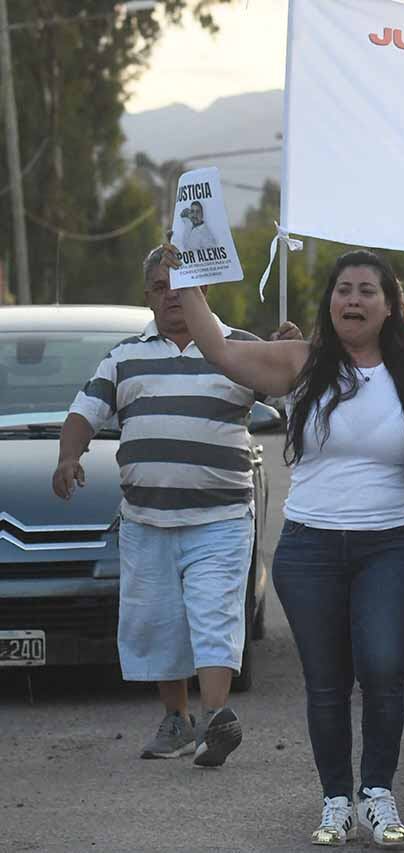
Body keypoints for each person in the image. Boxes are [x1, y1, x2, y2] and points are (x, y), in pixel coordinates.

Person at [172, 247, 404, 848]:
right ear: (330, 300)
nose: (352, 299)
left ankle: (377, 793)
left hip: (391, 547)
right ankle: (336, 801)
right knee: (325, 682)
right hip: (310, 549)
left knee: (382, 670)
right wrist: (187, 276)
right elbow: (219, 348)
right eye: (343, 289)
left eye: (367, 290)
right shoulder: (303, 362)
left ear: (389, 304)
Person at [53, 246, 271, 770]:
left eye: (183, 282)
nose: (172, 293)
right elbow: (84, 412)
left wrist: (285, 351)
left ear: (204, 288)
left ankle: (216, 719)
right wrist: (67, 455)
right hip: (146, 521)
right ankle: (177, 721)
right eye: (160, 285)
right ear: (147, 296)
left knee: (214, 616)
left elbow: (295, 396)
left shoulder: (237, 348)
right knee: (158, 623)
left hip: (219, 520)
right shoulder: (124, 356)